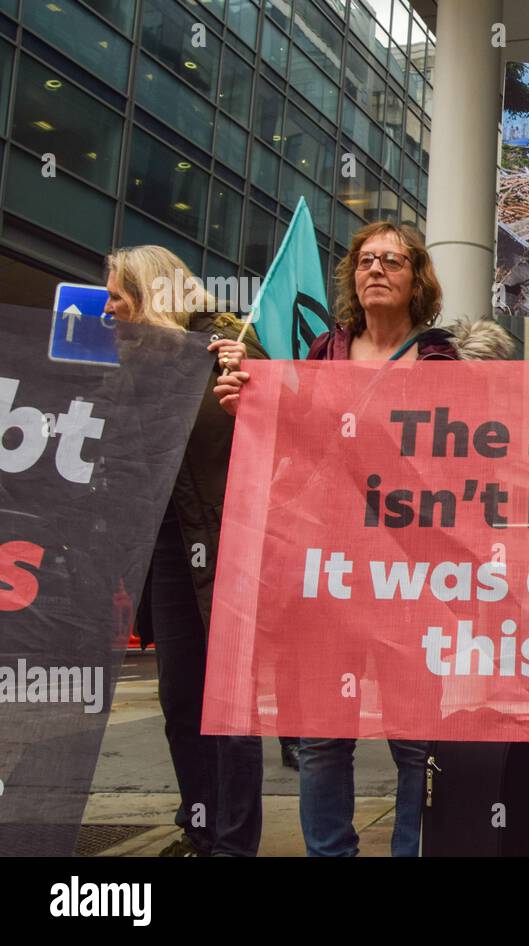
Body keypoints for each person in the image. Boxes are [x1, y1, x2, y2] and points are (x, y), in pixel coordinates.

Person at [216, 222, 515, 856]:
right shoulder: (322, 353)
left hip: (409, 577)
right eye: (366, 260)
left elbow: (472, 466)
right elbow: (292, 447)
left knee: (414, 737)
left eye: (393, 261)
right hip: (325, 573)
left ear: (417, 280)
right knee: (323, 738)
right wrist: (249, 405)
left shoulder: (443, 363)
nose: (376, 269)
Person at [103, 245, 268, 857]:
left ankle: (232, 842)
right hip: (169, 549)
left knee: (226, 703)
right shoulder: (127, 363)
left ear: (151, 294)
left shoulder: (229, 344)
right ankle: (199, 825)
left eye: (119, 295)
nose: (110, 308)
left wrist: (243, 375)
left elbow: (277, 421)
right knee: (181, 698)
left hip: (226, 545)